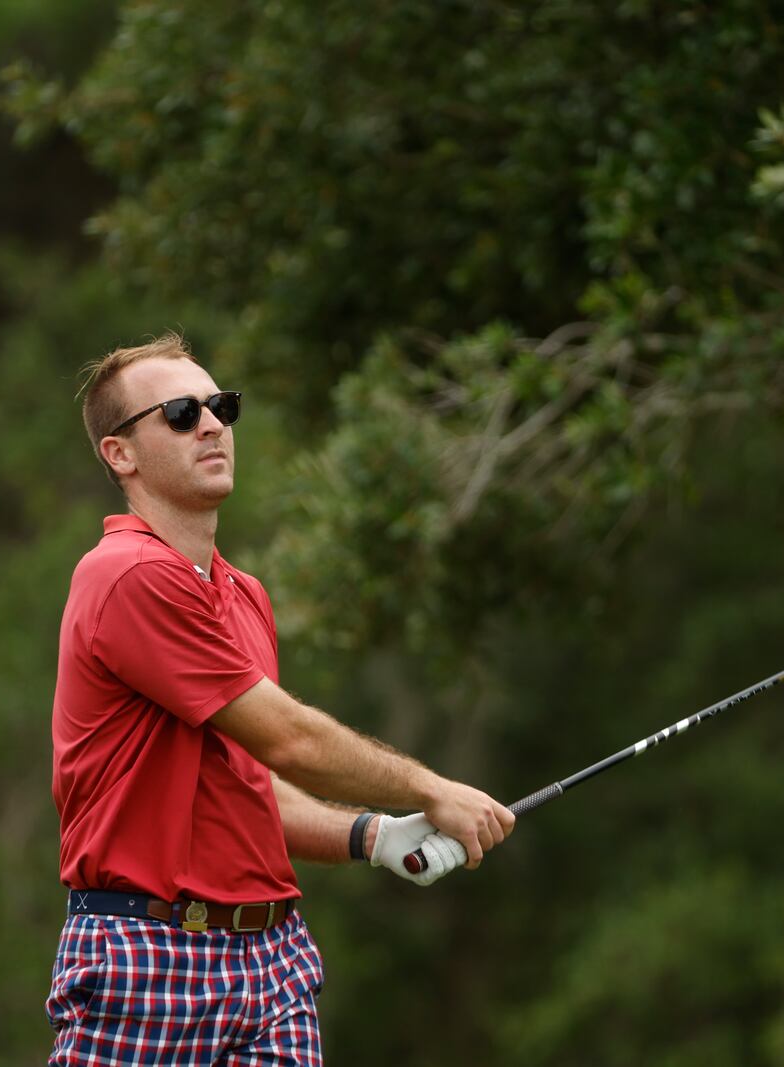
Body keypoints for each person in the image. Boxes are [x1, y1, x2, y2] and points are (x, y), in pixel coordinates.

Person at [47, 334, 515, 1066]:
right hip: (148, 957)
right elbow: (289, 740)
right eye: (179, 412)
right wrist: (432, 786)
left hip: (272, 962)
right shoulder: (125, 574)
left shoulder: (243, 595)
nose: (211, 424)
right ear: (120, 454)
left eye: (221, 406)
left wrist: (373, 833)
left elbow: (248, 782)